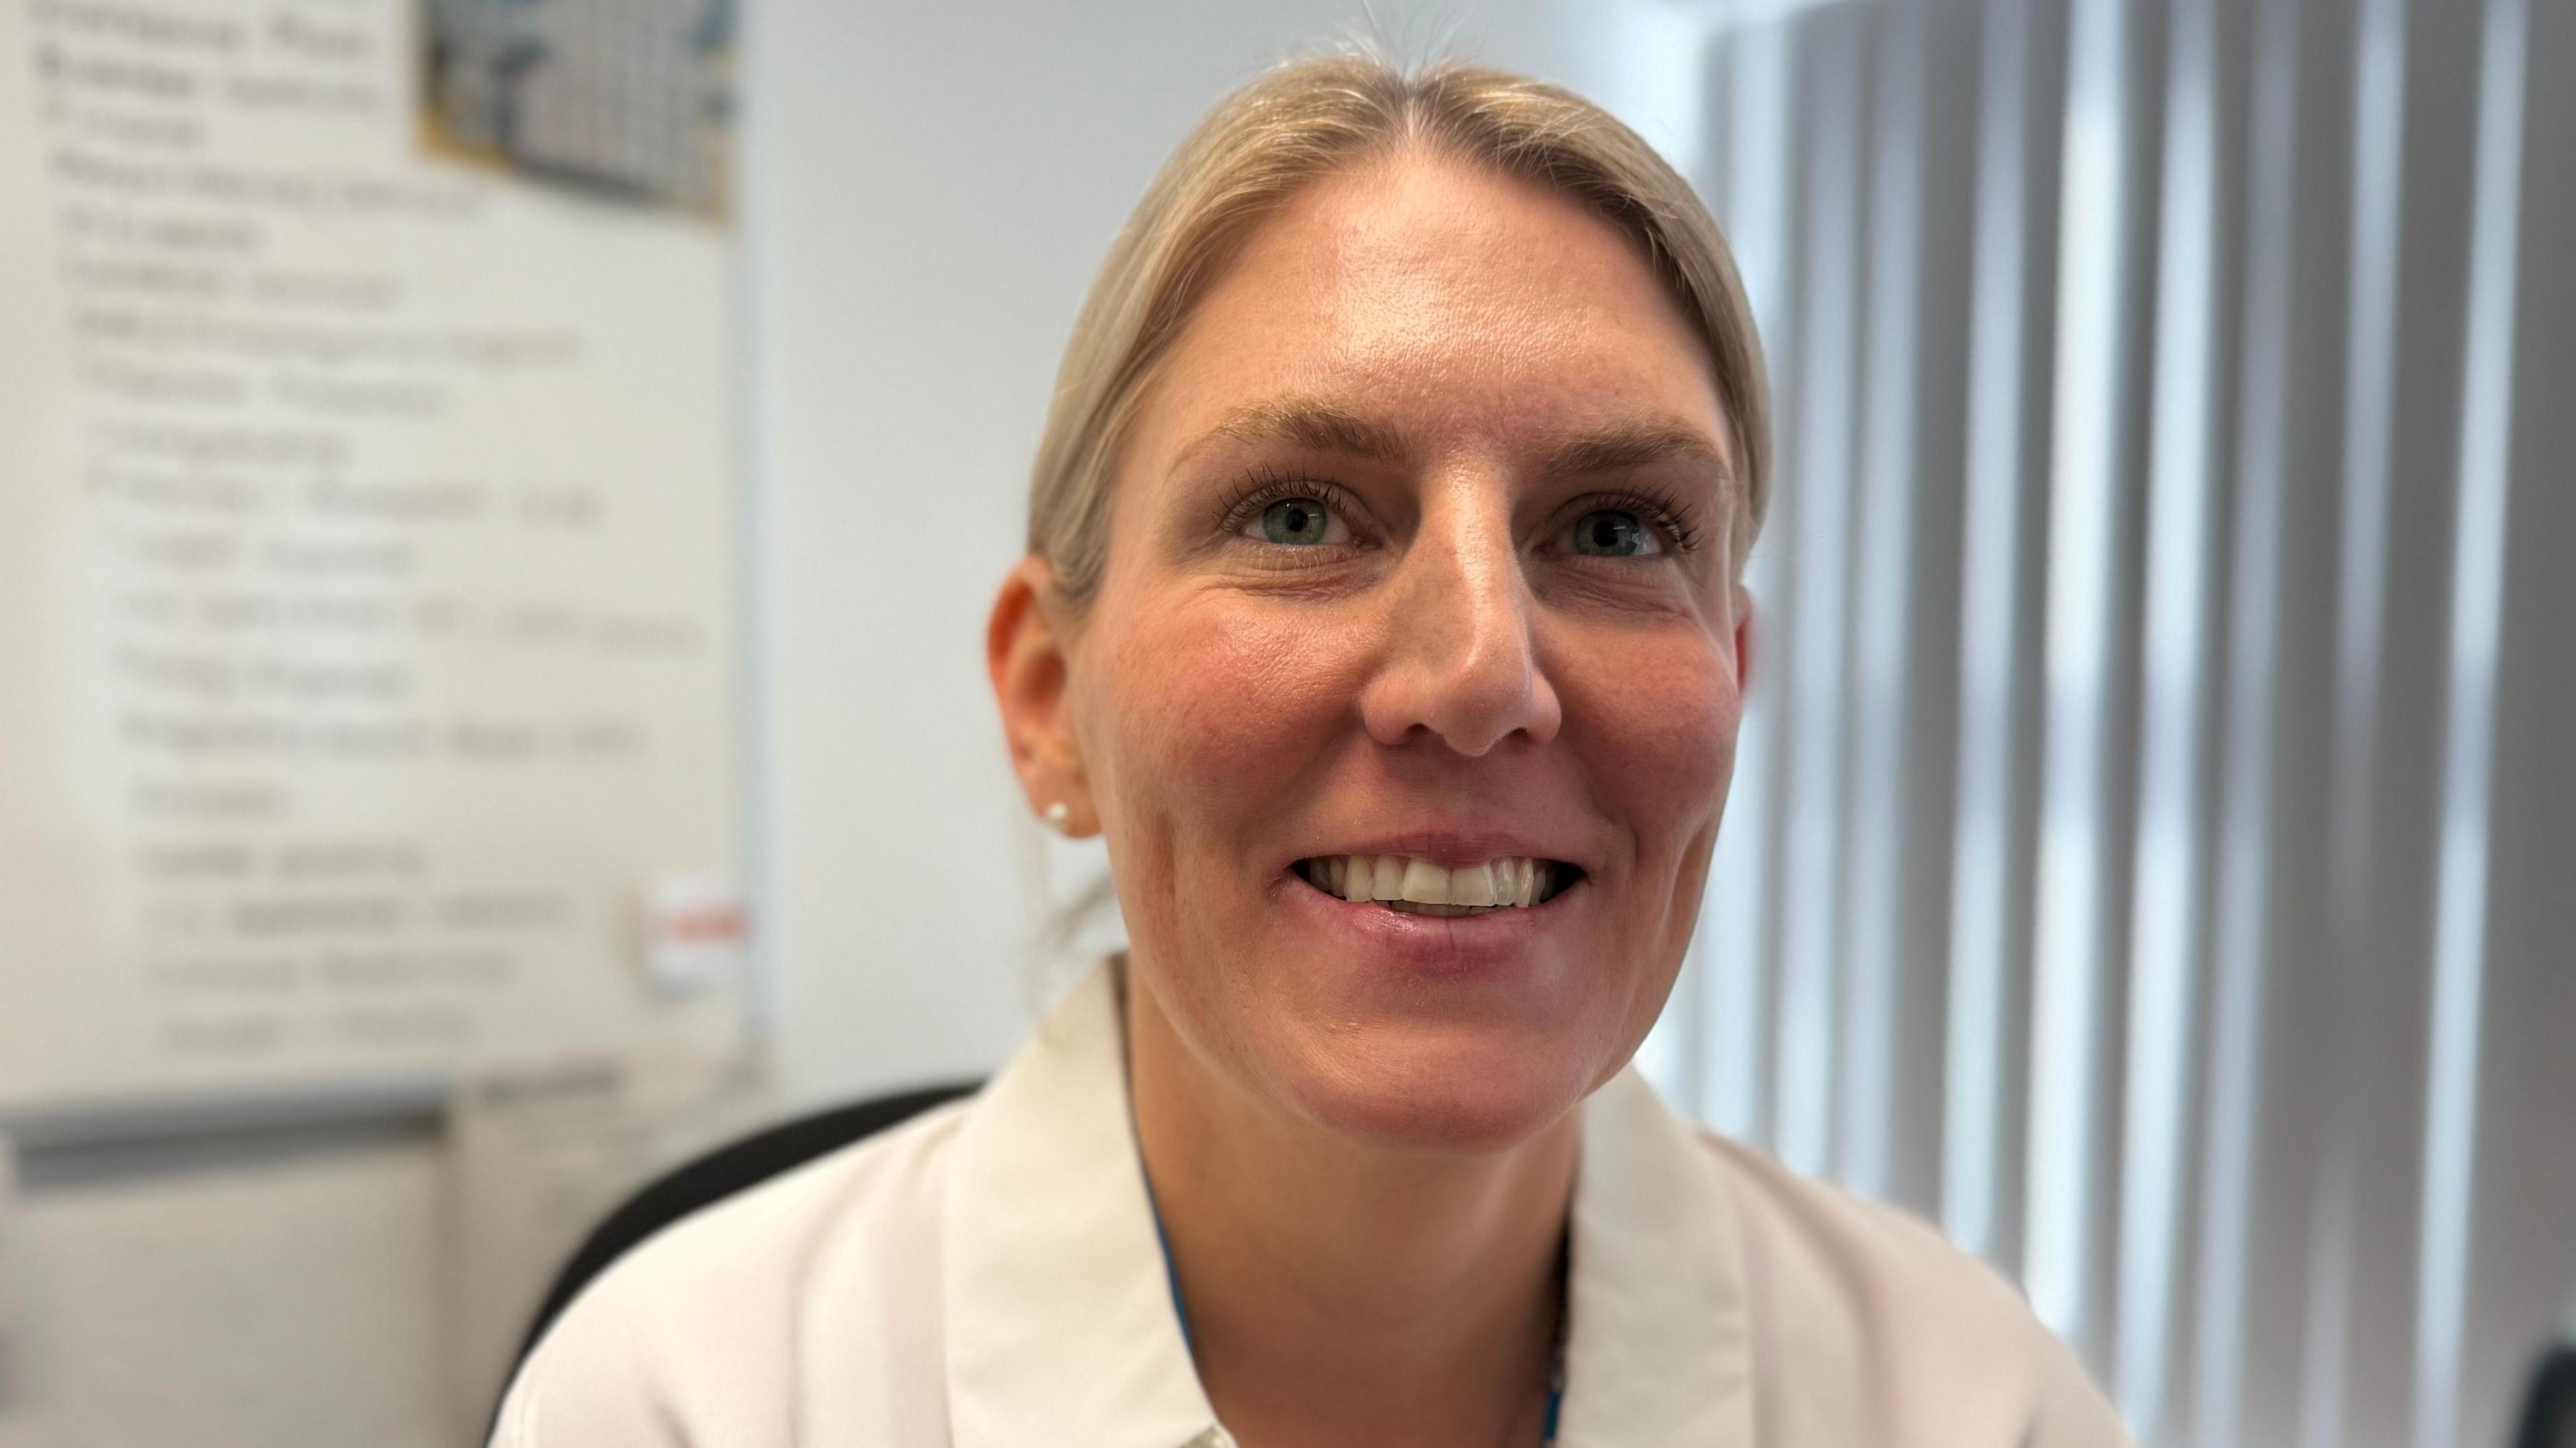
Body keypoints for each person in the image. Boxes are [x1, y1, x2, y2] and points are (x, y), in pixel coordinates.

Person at [490, 52, 2131, 1447]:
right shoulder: (688, 1403)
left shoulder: (1970, 1404)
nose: (1483, 674)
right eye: (1296, 515)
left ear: (1733, 680)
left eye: (1618, 530)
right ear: (1051, 699)